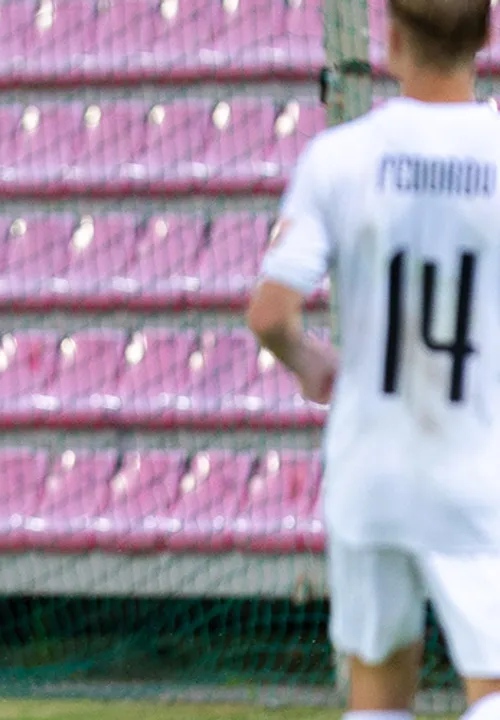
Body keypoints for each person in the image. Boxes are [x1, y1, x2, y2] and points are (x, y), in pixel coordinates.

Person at [246, 1, 500, 718]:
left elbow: (270, 313)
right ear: (486, 36)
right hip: (476, 466)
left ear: (389, 38)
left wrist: (309, 363)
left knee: (379, 692)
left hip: (371, 466)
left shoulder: (340, 157)